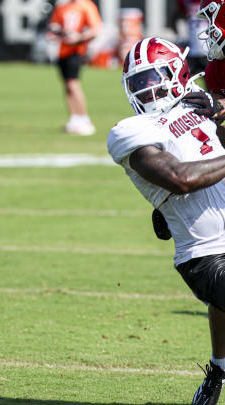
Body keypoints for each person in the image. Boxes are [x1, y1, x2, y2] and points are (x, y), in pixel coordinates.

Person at [108, 37, 225, 405]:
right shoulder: (131, 131)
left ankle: (219, 368)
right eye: (139, 82)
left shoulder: (199, 101)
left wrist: (219, 108)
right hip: (206, 258)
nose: (148, 88)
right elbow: (180, 178)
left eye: (153, 77)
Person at [47, 0, 101, 136]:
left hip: (75, 51)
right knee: (67, 86)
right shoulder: (62, 7)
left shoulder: (86, 5)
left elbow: (95, 29)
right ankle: (74, 119)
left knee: (73, 84)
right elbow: (54, 25)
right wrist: (56, 31)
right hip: (61, 51)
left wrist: (79, 38)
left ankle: (84, 119)